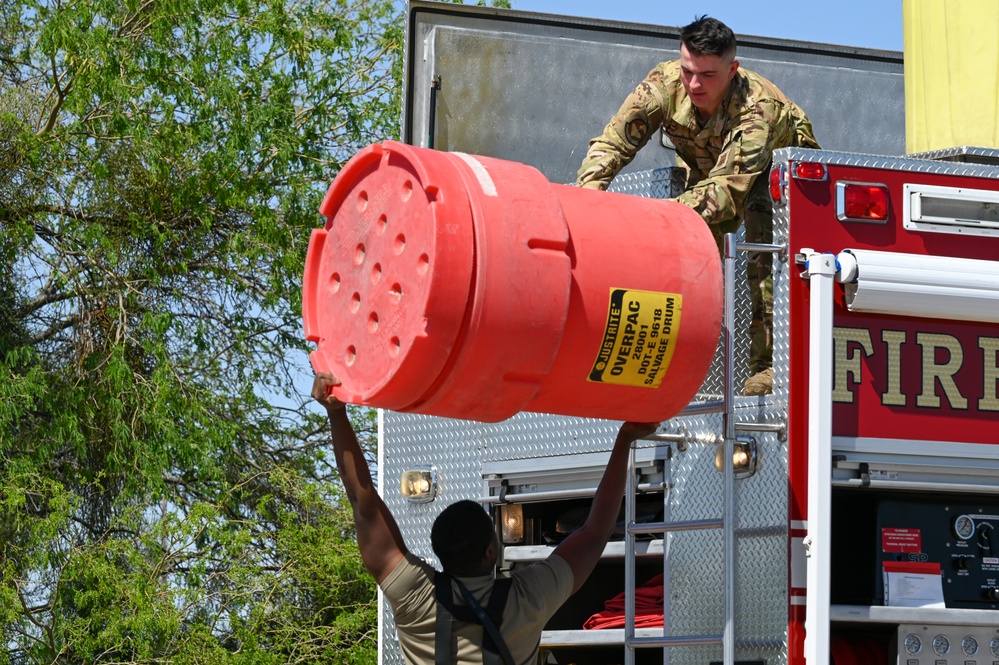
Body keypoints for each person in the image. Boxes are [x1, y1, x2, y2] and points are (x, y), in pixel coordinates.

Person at [311, 371, 659, 665]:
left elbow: (363, 499)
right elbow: (596, 530)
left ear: (439, 551)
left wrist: (336, 413)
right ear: (491, 552)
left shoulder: (413, 597)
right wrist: (625, 438)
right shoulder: (527, 599)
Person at [576, 15, 821, 396]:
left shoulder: (759, 108)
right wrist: (586, 203)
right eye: (688, 70)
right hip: (708, 172)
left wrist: (655, 219)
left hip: (774, 181)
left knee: (763, 242)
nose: (694, 84)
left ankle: (769, 366)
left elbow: (726, 192)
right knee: (682, 255)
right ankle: (668, 351)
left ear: (732, 69)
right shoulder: (664, 84)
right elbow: (613, 143)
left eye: (707, 75)